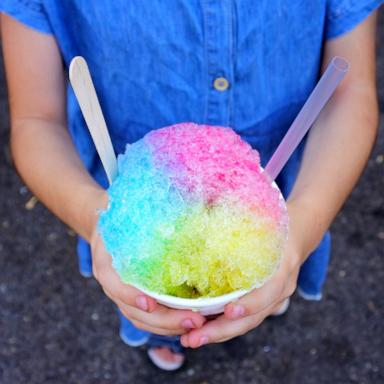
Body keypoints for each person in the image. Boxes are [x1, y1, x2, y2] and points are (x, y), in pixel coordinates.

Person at [1, 0, 381, 371]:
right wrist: (94, 219)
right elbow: (37, 120)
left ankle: (273, 286)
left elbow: (349, 93)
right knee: (158, 307)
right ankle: (165, 335)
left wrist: (301, 228)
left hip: (281, 196)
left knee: (263, 279)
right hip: (141, 214)